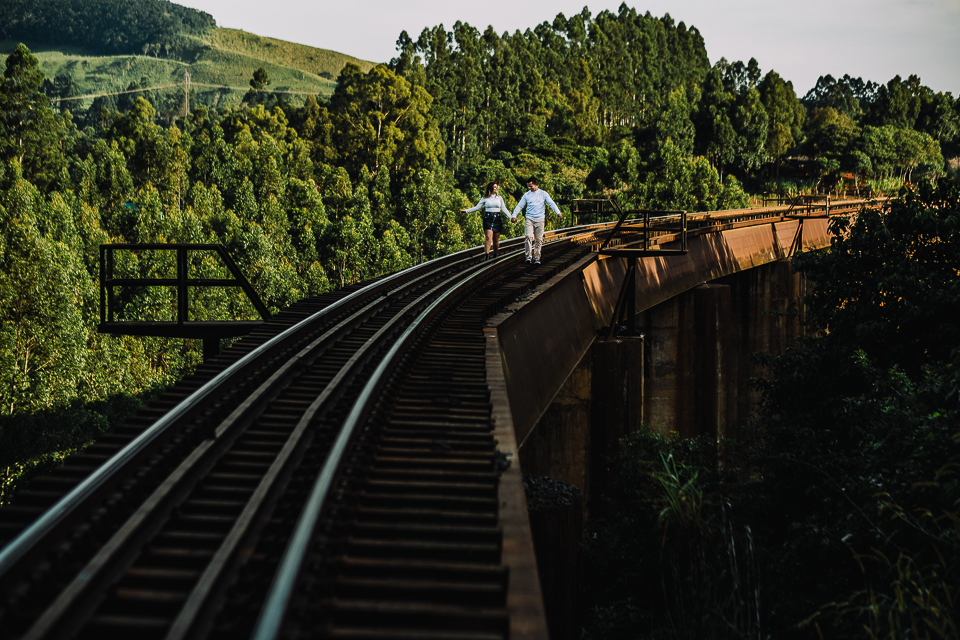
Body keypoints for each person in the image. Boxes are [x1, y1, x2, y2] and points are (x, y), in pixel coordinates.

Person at [511, 177, 562, 265]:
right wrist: (514, 215)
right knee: (528, 237)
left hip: (540, 219)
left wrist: (558, 212)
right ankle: (528, 256)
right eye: (528, 186)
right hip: (529, 219)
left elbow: (551, 203)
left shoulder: (543, 194)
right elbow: (520, 205)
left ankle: (537, 257)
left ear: (535, 184)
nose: (529, 188)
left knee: (538, 239)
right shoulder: (527, 195)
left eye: (531, 186)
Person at [462, 181, 508, 261]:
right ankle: (486, 255)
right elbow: (477, 207)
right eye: (494, 187)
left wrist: (511, 216)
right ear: (490, 188)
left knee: (496, 238)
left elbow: (504, 209)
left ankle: (495, 254)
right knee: (488, 237)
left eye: (497, 187)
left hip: (497, 219)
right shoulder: (485, 198)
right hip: (488, 218)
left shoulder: (499, 198)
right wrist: (466, 211)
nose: (496, 189)